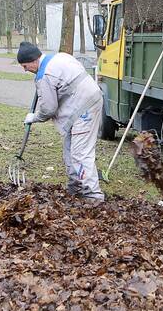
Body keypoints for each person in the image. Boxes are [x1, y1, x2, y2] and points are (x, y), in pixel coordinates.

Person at [18, 41, 105, 201]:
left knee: (79, 153)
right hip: (86, 101)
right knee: (69, 148)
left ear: (33, 60)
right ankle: (75, 186)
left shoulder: (45, 76)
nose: (25, 70)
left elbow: (49, 108)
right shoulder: (60, 57)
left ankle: (93, 196)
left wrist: (34, 117)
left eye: (25, 66)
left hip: (84, 108)